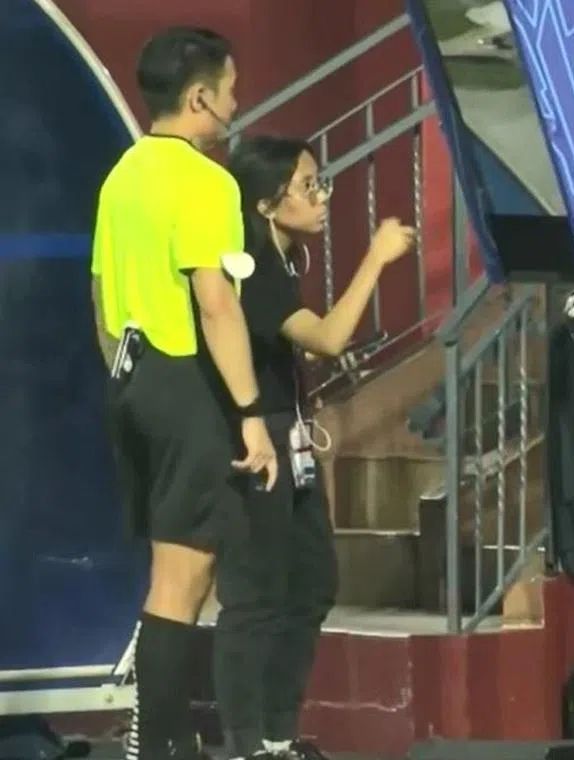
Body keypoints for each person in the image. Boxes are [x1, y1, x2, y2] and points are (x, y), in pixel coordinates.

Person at [91, 27, 278, 760]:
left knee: (172, 575)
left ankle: (161, 738)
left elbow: (100, 291)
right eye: (230, 90)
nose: (236, 103)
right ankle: (158, 743)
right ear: (200, 97)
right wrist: (252, 414)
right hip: (187, 381)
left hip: (133, 380)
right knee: (184, 578)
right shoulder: (205, 180)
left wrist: (125, 376)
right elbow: (217, 301)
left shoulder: (122, 174)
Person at [216, 135, 413, 760]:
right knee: (257, 595)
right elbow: (327, 336)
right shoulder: (249, 260)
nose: (322, 196)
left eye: (320, 181)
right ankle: (246, 744)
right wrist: (378, 257)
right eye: (309, 186)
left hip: (292, 433)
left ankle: (277, 735)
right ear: (268, 203)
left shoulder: (285, 257)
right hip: (255, 439)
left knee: (311, 583)